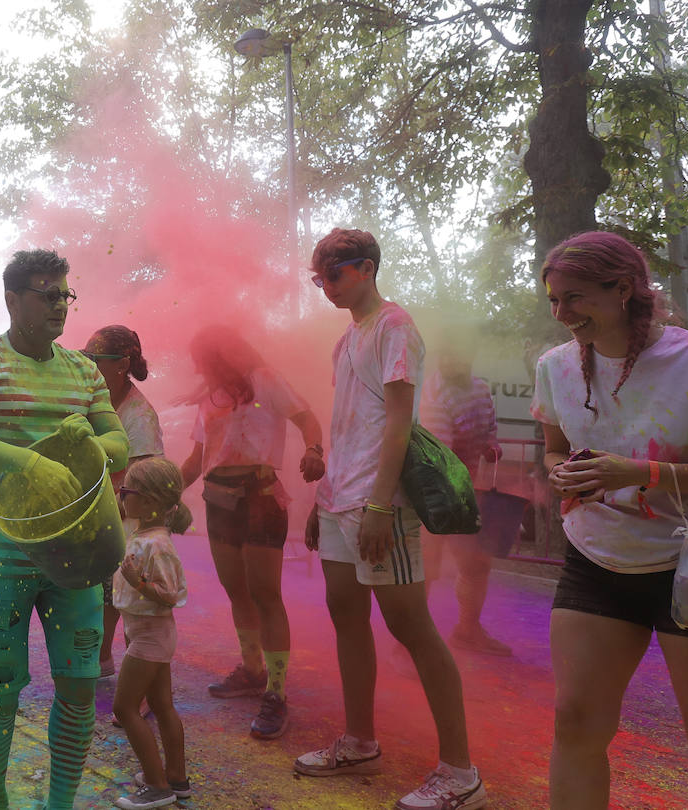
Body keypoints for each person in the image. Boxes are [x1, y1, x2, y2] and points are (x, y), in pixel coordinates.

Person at [0, 248, 129, 810]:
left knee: (77, 688)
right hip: (0, 560)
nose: (60, 306)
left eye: (65, 294)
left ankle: (58, 805)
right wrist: (26, 462)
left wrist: (86, 443)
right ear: (12, 300)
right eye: (47, 295)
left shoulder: (83, 370)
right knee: (1, 690)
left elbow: (119, 443)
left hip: (78, 560)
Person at [297, 228, 485, 810]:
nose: (325, 285)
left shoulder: (395, 326)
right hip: (340, 500)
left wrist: (380, 504)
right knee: (345, 616)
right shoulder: (346, 339)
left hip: (380, 503)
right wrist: (323, 497)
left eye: (334, 273)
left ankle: (460, 772)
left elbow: (400, 421)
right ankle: (358, 741)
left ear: (367, 269)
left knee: (411, 626)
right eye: (318, 276)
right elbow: (349, 425)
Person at [531, 231, 688, 807]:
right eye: (555, 301)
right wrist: (561, 471)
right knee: (576, 720)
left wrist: (642, 473)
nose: (563, 314)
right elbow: (553, 447)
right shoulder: (554, 367)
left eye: (577, 297)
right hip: (595, 559)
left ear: (625, 289)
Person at [179, 323, 324, 740]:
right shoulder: (208, 398)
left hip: (261, 500)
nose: (200, 369)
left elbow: (308, 418)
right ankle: (254, 670)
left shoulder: (265, 380)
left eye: (203, 360)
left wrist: (315, 449)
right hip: (218, 500)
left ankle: (276, 693)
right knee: (238, 592)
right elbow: (196, 458)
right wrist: (162, 490)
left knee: (266, 595)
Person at [419, 338, 510, 656]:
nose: (449, 361)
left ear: (470, 354)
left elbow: (490, 430)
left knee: (476, 564)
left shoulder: (481, 391)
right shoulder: (433, 393)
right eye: (445, 353)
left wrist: (491, 445)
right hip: (432, 491)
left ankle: (468, 630)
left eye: (456, 353)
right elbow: (441, 456)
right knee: (426, 567)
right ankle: (410, 644)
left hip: (463, 488)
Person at [83, 325, 164, 679]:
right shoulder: (98, 403)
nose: (89, 368)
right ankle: (102, 661)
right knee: (103, 596)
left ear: (120, 365)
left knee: (135, 608)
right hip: (104, 520)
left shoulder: (140, 417)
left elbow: (141, 486)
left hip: (131, 527)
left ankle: (145, 689)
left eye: (95, 361)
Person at [111, 458, 192, 810]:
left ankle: (158, 786)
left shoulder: (156, 544)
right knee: (161, 705)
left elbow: (170, 595)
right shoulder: (143, 535)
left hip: (150, 636)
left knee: (125, 707)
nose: (121, 495)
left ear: (149, 503)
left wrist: (137, 582)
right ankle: (176, 778)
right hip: (147, 633)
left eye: (126, 491)